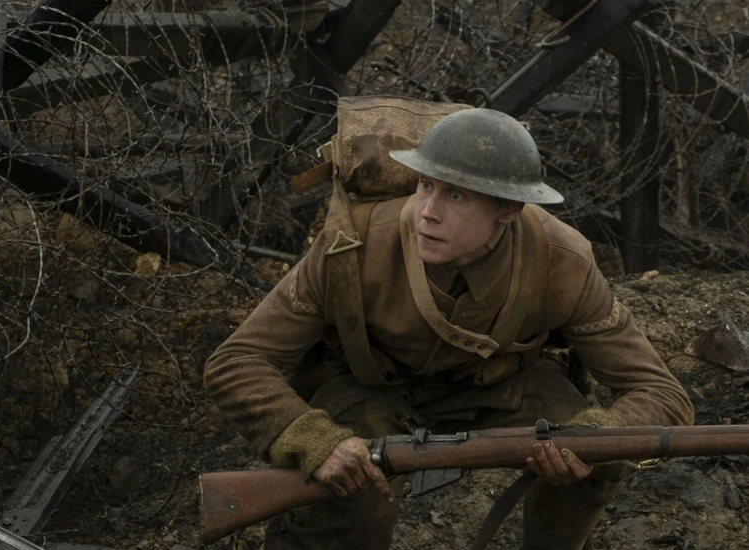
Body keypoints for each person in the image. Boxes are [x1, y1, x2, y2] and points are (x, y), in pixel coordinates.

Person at [203, 107, 694, 550]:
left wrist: (596, 436)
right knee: (350, 489)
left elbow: (659, 390)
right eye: (425, 185)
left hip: (503, 388)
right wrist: (313, 440)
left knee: (598, 454)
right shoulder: (350, 248)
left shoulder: (562, 262)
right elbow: (237, 361)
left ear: (508, 210)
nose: (428, 212)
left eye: (456, 195)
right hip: (373, 388)